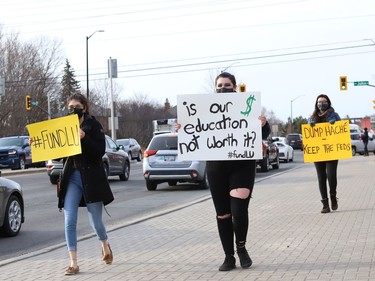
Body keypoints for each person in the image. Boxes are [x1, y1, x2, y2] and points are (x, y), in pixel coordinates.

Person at [177, 72, 271, 271]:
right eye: (219, 85)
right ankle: (229, 256)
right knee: (223, 215)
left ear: (235, 87)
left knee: (238, 210)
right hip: (217, 168)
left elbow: (260, 134)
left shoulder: (247, 107)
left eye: (227, 84)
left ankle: (242, 248)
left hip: (242, 165)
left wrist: (264, 124)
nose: (223, 88)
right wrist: (182, 128)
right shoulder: (205, 110)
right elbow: (195, 132)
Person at [57, 93, 114, 275]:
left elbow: (99, 151)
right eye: (70, 107)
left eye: (77, 107)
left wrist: (84, 138)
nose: (73, 110)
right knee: (69, 220)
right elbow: (58, 152)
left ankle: (104, 243)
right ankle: (73, 263)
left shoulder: (93, 125)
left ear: (84, 108)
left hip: (91, 178)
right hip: (72, 177)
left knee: (95, 222)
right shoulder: (64, 126)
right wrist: (37, 145)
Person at [308, 94, 341, 213]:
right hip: (318, 153)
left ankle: (333, 196)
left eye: (324, 101)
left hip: (331, 151)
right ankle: (325, 203)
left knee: (331, 176)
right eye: (319, 101)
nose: (321, 103)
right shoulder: (312, 117)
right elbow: (308, 133)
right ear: (316, 104)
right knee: (321, 177)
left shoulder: (334, 115)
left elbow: (341, 131)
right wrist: (310, 126)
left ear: (328, 102)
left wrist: (335, 124)